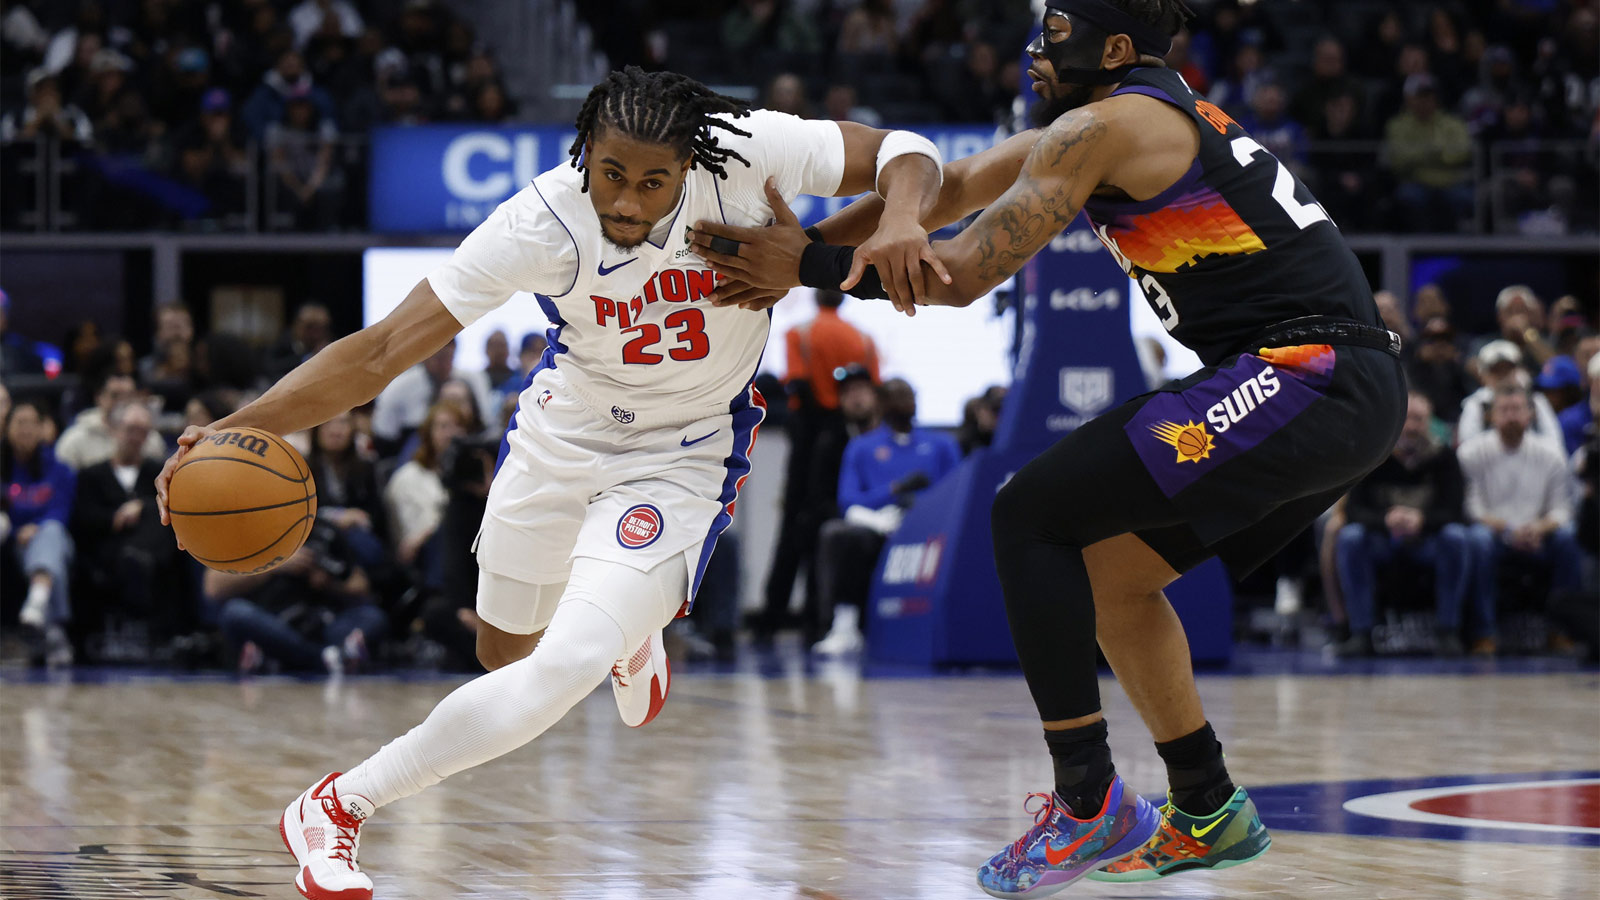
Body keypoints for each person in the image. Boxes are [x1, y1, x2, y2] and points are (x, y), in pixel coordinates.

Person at [154, 65, 945, 900]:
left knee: (563, 667)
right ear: (585, 153)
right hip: (561, 434)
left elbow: (910, 152)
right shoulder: (538, 220)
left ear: (693, 162)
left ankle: (335, 805)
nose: (629, 203)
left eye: (653, 182)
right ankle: (628, 626)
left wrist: (895, 217)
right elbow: (382, 351)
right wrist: (240, 426)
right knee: (505, 651)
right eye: (611, 175)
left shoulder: (749, 150)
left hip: (682, 454)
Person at [688, 1, 1410, 892]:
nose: (1033, 50)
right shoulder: (1122, 117)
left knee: (1030, 511)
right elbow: (945, 190)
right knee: (1113, 576)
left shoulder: (1105, 126)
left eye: (1056, 33)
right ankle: (1208, 807)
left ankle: (1087, 802)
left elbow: (959, 274)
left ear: (1112, 49)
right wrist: (803, 246)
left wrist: (805, 270)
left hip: (1308, 370)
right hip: (1325, 379)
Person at [756, 289, 880, 643]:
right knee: (827, 521)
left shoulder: (800, 333)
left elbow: (797, 383)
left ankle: (772, 618)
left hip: (809, 435)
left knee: (794, 529)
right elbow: (874, 388)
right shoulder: (864, 339)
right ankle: (816, 620)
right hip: (846, 434)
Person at [814, 377, 958, 654]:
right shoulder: (862, 447)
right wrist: (895, 489)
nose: (905, 402)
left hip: (928, 525)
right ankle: (845, 626)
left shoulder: (942, 445)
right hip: (880, 526)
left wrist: (919, 507)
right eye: (896, 396)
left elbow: (957, 492)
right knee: (841, 535)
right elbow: (849, 500)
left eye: (909, 395)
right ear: (880, 404)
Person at [1333, 392, 1475, 658]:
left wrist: (1422, 521)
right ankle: (1360, 633)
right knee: (1350, 537)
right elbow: (1353, 511)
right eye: (1407, 418)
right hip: (1383, 540)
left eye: (1420, 419)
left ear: (1430, 423)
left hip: (1427, 541)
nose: (1412, 426)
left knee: (1457, 537)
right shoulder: (1373, 454)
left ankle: (1449, 631)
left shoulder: (1444, 457)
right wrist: (1386, 520)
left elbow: (1456, 512)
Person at [1458, 386, 1582, 655]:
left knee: (1569, 536)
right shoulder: (1471, 452)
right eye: (1504, 410)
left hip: (1539, 536)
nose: (1511, 416)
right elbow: (1472, 509)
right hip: (1494, 535)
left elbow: (1562, 510)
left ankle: (1562, 631)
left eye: (1517, 409)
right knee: (1476, 540)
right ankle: (1483, 634)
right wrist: (1510, 530)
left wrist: (1537, 528)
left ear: (1530, 415)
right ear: (1491, 416)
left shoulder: (1551, 453)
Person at [70, 402, 184, 647]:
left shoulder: (158, 472)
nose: (135, 437)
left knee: (161, 518)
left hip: (154, 554)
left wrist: (142, 506)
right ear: (115, 430)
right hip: (108, 552)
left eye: (143, 431)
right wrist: (116, 516)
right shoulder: (92, 475)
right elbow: (83, 519)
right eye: (131, 429)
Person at [2, 399, 76, 666]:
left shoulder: (59, 468)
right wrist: (16, 531)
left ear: (43, 428)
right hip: (12, 545)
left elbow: (61, 511)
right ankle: (54, 629)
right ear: (7, 427)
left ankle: (38, 603)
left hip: (54, 541)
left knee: (51, 533)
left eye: (33, 423)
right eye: (20, 423)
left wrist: (37, 527)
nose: (26, 430)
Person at [1457, 340, 1565, 456]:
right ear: (1484, 375)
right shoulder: (1476, 404)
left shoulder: (1535, 400)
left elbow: (1555, 443)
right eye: (1496, 371)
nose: (1503, 375)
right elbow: (1467, 448)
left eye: (1508, 369)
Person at [55, 371, 168, 470]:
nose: (122, 401)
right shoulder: (75, 439)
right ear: (99, 397)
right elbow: (64, 483)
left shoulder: (151, 439)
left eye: (128, 396)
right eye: (115, 396)